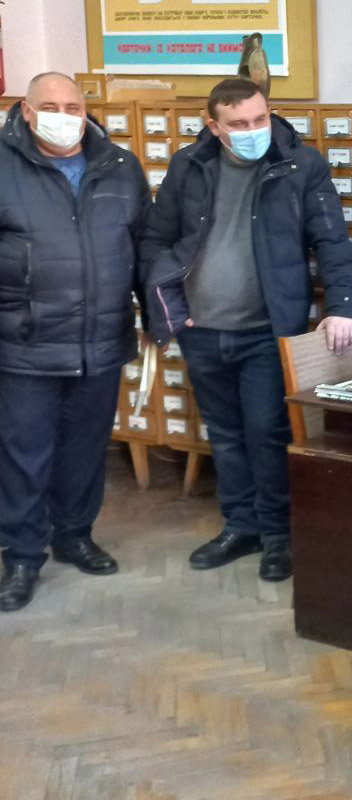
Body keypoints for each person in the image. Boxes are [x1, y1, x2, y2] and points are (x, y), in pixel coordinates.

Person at [140, 78, 352, 582]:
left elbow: (331, 240)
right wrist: (171, 312)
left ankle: (278, 533)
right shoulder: (188, 166)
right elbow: (156, 241)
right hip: (201, 328)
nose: (253, 130)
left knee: (266, 432)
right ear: (214, 127)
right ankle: (240, 526)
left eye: (260, 119)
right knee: (224, 434)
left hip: (265, 329)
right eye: (238, 124)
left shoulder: (300, 166)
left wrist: (344, 305)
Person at [0, 73, 150, 611]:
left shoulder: (120, 165)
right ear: (26, 111)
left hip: (101, 338)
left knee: (85, 448)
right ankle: (21, 555)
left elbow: (144, 247)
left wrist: (158, 318)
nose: (64, 117)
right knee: (24, 454)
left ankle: (75, 535)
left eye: (73, 107)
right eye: (50, 106)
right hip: (26, 341)